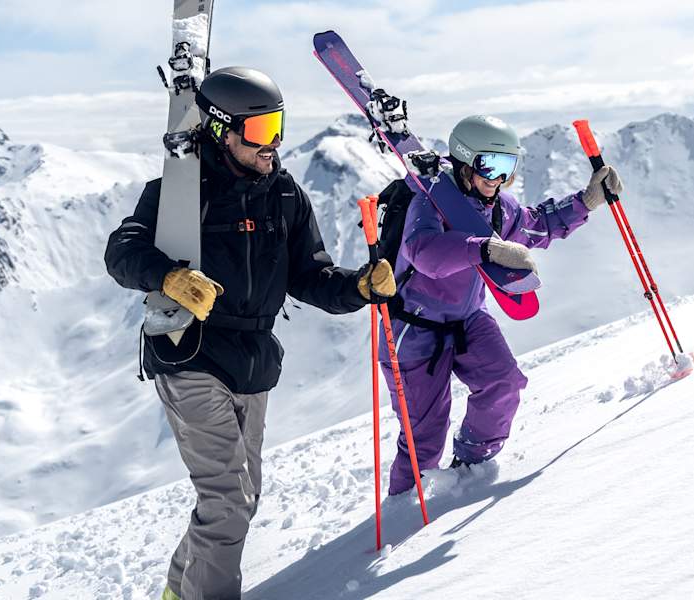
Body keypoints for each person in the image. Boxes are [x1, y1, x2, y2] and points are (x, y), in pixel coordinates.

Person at [104, 66, 396, 600]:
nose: (273, 143)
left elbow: (310, 276)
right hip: (190, 351)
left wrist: (358, 287)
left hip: (253, 360)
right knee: (227, 501)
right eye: (260, 131)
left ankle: (179, 592)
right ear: (221, 130)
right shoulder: (179, 191)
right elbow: (121, 252)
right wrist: (168, 276)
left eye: (278, 127)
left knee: (242, 497)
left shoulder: (284, 195)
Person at [379, 114, 623, 496]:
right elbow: (425, 253)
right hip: (414, 329)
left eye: (507, 168)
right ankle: (404, 507)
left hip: (468, 319)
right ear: (464, 160)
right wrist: (486, 248)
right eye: (490, 165)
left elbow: (537, 225)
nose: (498, 179)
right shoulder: (427, 201)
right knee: (424, 434)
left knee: (504, 383)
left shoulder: (497, 207)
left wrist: (586, 201)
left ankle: (472, 466)